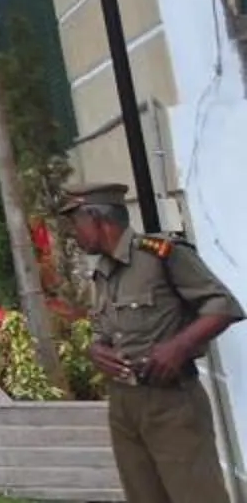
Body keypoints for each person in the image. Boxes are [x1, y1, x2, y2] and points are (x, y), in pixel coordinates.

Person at [58, 184, 240, 503]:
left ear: (97, 218)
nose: (74, 233)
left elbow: (222, 305)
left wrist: (179, 346)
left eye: (76, 223)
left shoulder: (160, 255)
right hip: (124, 403)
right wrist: (96, 350)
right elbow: (104, 332)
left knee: (197, 496)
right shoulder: (102, 273)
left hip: (171, 402)